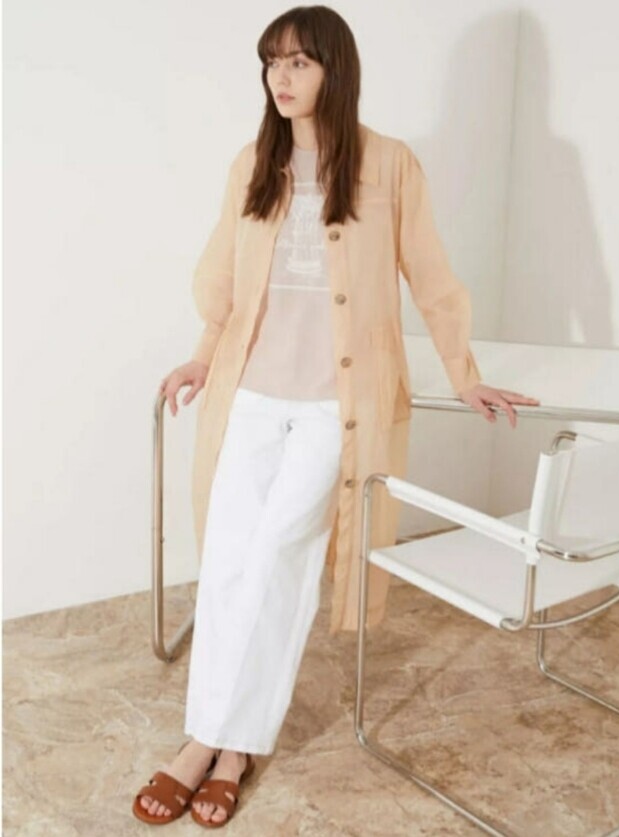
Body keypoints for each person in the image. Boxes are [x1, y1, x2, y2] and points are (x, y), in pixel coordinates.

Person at [133, 4, 540, 828]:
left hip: (334, 408)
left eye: (299, 62)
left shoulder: (389, 165)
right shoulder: (254, 161)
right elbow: (224, 281)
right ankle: (204, 740)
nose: (280, 78)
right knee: (231, 562)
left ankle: (232, 748)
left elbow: (433, 277)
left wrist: (465, 374)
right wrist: (204, 355)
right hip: (249, 396)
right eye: (271, 61)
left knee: (280, 560)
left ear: (334, 69)